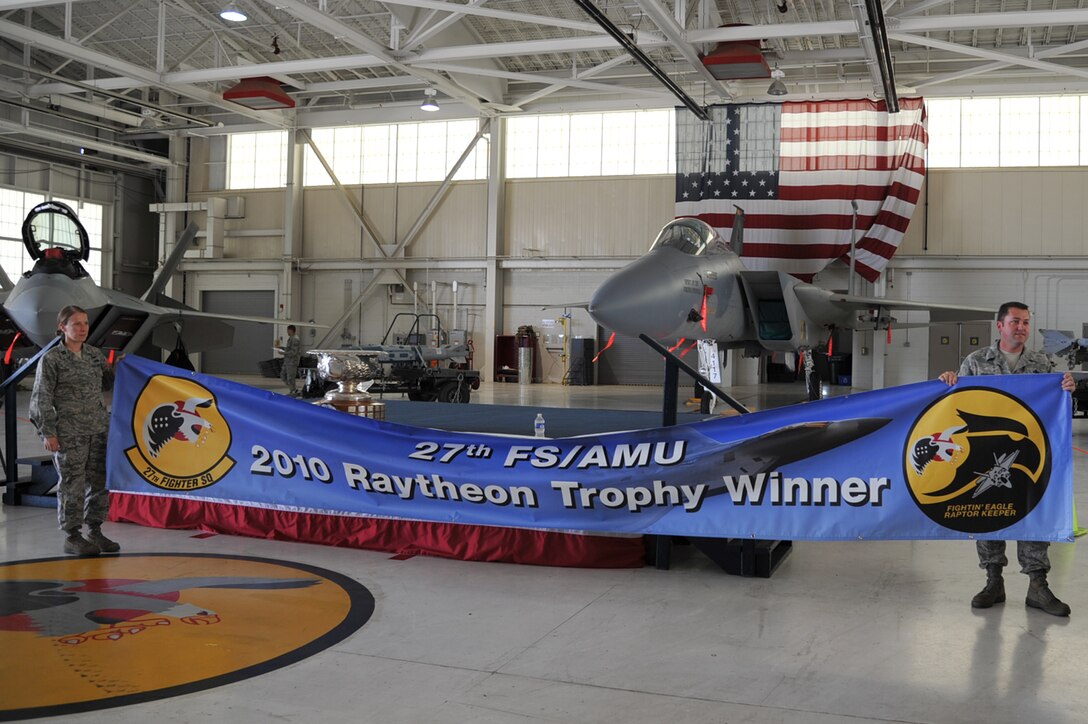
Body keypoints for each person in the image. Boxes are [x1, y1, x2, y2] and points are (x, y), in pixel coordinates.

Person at [939, 301, 1075, 616]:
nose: (1021, 327)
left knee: (1033, 510)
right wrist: (948, 382)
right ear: (999, 325)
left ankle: (1038, 586)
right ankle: (993, 581)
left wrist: (1066, 389)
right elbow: (955, 406)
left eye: (1026, 322)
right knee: (987, 513)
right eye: (1015, 321)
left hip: (1029, 453)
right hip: (985, 457)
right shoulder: (975, 362)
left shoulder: (1042, 363)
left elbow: (1056, 409)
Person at [29, 305, 119, 556]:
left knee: (99, 483)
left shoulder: (93, 355)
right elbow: (41, 398)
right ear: (62, 327)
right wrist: (48, 432)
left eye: (86, 324)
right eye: (76, 324)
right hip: (70, 433)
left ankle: (95, 530)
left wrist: (120, 367)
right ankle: (72, 535)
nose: (82, 329)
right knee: (72, 484)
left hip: (99, 429)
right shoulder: (52, 360)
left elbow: (107, 384)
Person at [280, 324, 302, 396]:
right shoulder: (291, 338)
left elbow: (294, 352)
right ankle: (293, 389)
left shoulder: (295, 339)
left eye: (288, 330)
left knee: (290, 377)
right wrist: (282, 348)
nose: (287, 332)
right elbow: (289, 348)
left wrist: (284, 353)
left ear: (291, 330)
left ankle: (293, 390)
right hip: (287, 361)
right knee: (283, 375)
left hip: (292, 362)